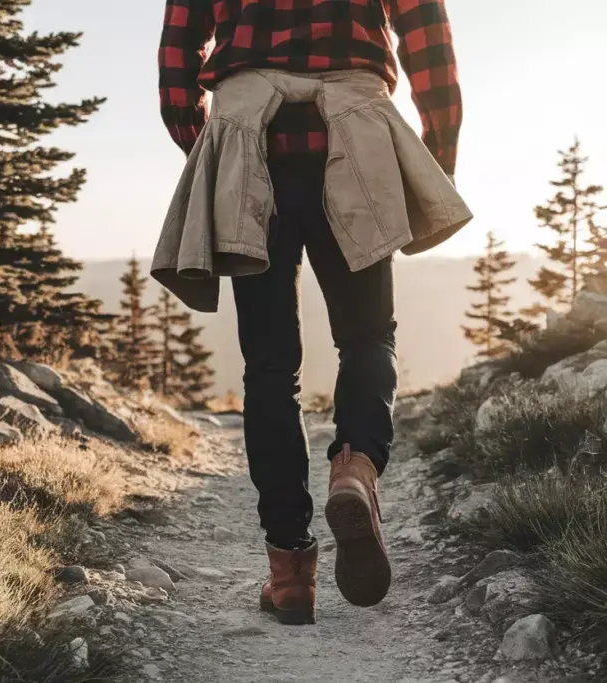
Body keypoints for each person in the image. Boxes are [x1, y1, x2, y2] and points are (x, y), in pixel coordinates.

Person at [153, 0, 467, 625]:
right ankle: (355, 466)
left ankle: (290, 571)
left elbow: (175, 63)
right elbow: (429, 45)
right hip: (356, 132)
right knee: (368, 335)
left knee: (269, 364)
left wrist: (212, 147)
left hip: (250, 138)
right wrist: (434, 151)